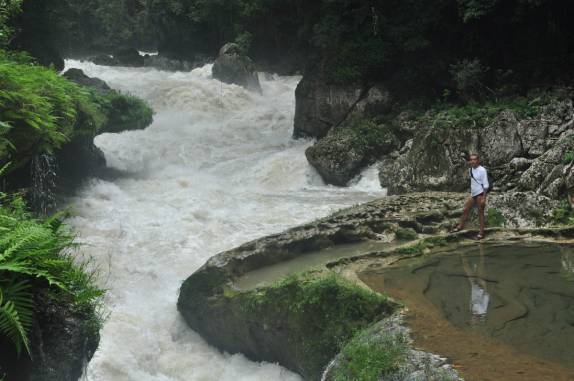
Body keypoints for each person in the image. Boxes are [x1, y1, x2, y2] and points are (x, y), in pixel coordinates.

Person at [452, 154, 489, 240]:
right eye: (471, 160)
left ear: (478, 160)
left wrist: (484, 197)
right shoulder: (470, 170)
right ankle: (460, 226)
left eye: (474, 159)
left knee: (480, 213)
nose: (472, 161)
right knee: (465, 209)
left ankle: (481, 233)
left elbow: (486, 185)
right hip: (473, 194)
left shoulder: (482, 170)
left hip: (480, 193)